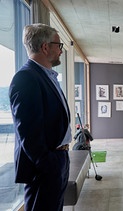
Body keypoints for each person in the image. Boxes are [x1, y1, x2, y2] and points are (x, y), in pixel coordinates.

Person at [8, 23, 71, 211]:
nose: (61, 51)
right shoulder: (26, 78)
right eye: (58, 46)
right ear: (45, 47)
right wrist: (48, 164)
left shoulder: (46, 75)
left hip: (59, 157)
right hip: (45, 167)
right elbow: (28, 132)